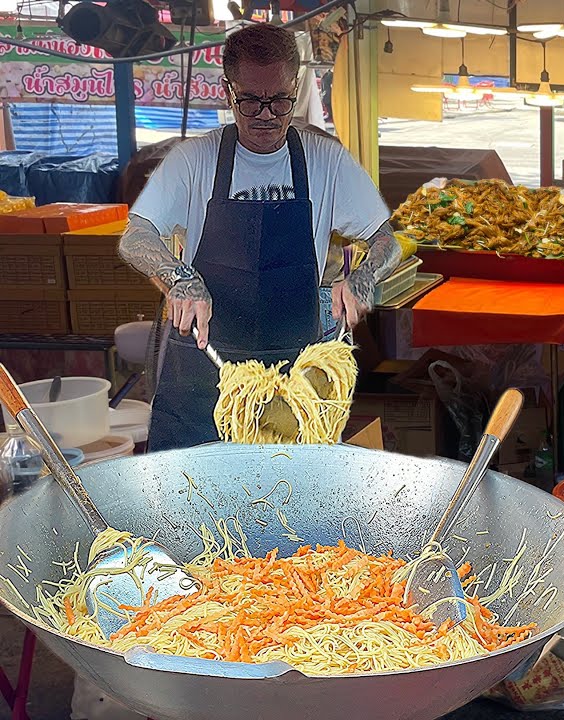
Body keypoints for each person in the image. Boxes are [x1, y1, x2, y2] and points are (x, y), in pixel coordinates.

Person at [120, 22, 402, 451]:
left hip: (295, 380)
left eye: (280, 100)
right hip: (205, 369)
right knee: (184, 506)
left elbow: (386, 240)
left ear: (295, 85)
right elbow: (136, 236)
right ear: (228, 90)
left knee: (291, 504)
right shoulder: (195, 159)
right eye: (250, 101)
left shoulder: (325, 160)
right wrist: (180, 279)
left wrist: (362, 278)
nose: (267, 115)